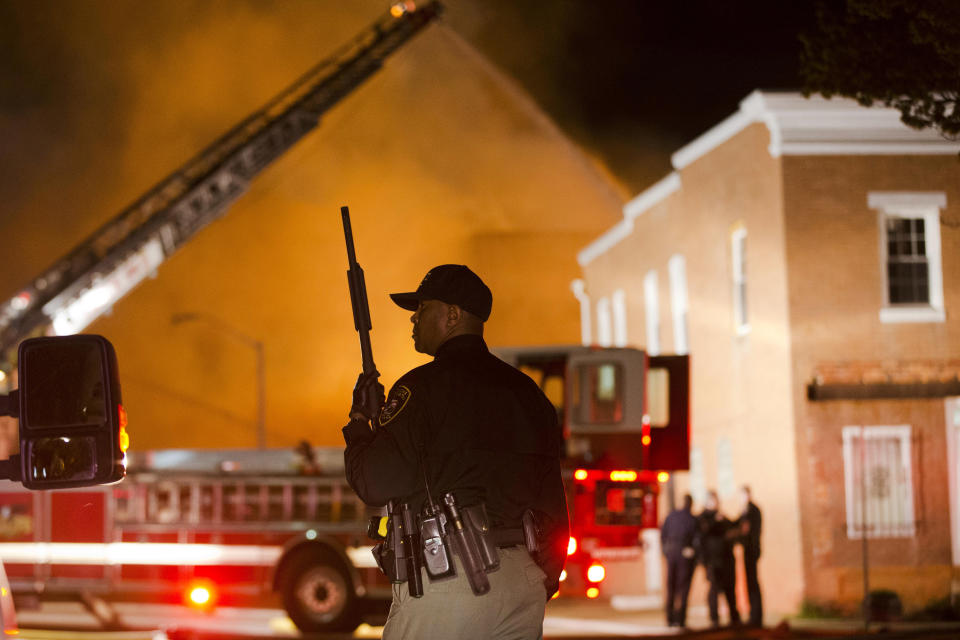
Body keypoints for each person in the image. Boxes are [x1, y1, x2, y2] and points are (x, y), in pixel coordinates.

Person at [342, 264, 569, 640]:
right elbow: (552, 499)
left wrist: (360, 423)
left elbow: (376, 482)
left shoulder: (420, 389)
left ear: (452, 315)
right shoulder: (530, 395)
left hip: (452, 576)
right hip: (523, 582)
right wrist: (544, 577)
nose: (414, 318)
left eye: (423, 307)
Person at [698, 490, 740, 628]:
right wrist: (704, 561)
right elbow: (703, 536)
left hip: (726, 559)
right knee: (714, 589)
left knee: (730, 588)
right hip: (713, 560)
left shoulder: (722, 517)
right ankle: (714, 618)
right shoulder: (704, 518)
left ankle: (734, 616)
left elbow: (732, 529)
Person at [660, 493, 697, 628]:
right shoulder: (692, 519)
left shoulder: (671, 516)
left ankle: (670, 618)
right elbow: (696, 539)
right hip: (683, 557)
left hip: (672, 554)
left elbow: (663, 535)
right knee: (683, 588)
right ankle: (680, 619)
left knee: (671, 587)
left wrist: (666, 551)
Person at [737, 485, 763, 627]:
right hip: (752, 549)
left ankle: (755, 616)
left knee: (752, 582)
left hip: (751, 550)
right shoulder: (751, 510)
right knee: (752, 582)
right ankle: (755, 615)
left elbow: (744, 529)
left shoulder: (750, 510)